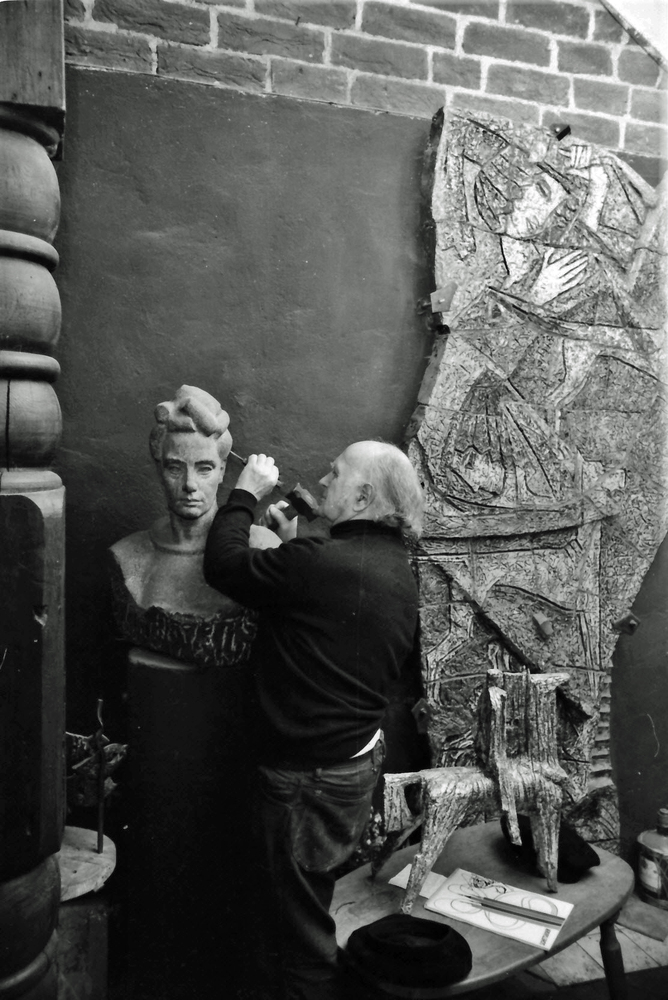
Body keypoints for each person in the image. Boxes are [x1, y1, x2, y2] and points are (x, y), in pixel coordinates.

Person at [203, 440, 423, 1000]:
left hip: (305, 783)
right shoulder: (394, 567)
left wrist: (244, 494)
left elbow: (223, 565)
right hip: (349, 770)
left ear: (363, 497)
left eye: (336, 473)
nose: (324, 479)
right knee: (298, 904)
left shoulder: (322, 563)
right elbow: (325, 616)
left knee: (296, 937)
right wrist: (292, 546)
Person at [109, 384, 279, 666]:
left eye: (204, 469)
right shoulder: (127, 557)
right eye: (175, 468)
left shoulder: (261, 548)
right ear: (159, 469)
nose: (190, 484)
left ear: (222, 471)